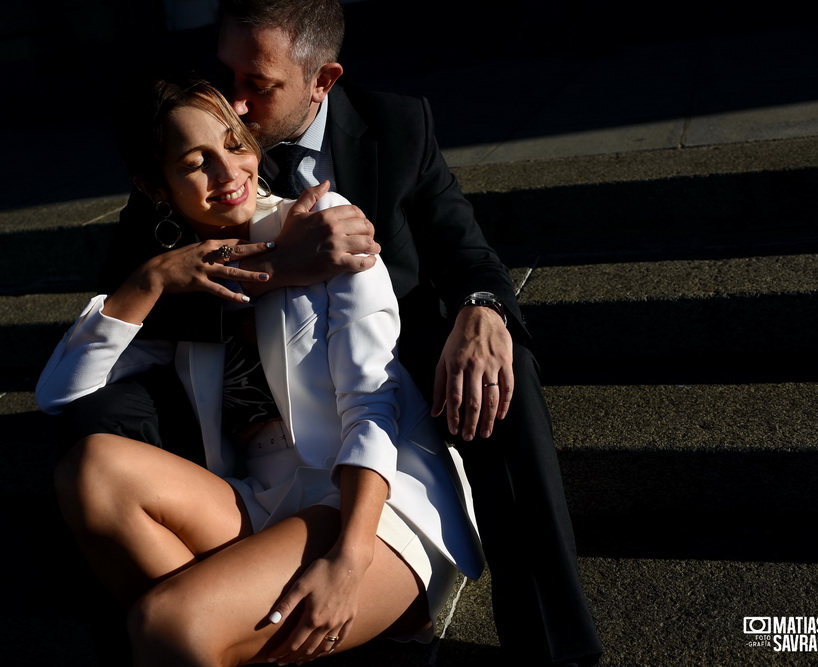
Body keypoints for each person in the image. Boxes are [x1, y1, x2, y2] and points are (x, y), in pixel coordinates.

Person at [82, 1, 601, 663]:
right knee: (97, 431)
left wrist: (483, 308)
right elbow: (133, 290)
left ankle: (556, 646)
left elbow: (463, 250)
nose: (234, 106)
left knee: (505, 370)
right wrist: (279, 268)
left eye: (258, 85)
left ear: (322, 80)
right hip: (254, 430)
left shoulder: (397, 126)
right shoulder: (206, 150)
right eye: (227, 74)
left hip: (393, 387)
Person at [36, 76, 483, 665]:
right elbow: (61, 393)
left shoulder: (323, 225)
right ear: (156, 188)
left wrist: (349, 562)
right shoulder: (189, 274)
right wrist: (149, 281)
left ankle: (201, 630)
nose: (229, 173)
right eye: (197, 162)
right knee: (90, 469)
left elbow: (375, 405)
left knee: (165, 623)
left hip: (373, 503)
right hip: (259, 496)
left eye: (236, 143)